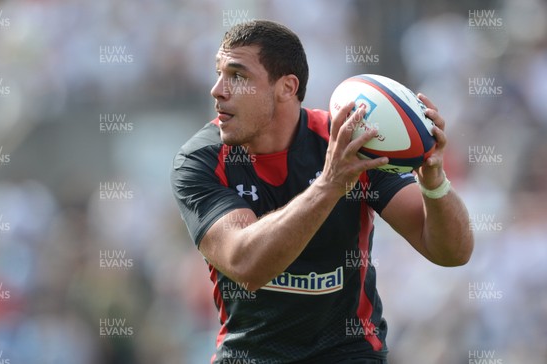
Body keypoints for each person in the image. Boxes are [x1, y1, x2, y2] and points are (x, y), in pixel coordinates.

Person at [170, 20, 473, 364]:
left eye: (237, 76)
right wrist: (330, 184)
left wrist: (434, 182)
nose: (217, 89)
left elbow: (452, 253)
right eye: (219, 73)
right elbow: (246, 263)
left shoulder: (351, 142)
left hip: (348, 353)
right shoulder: (200, 160)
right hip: (250, 355)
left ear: (286, 87)